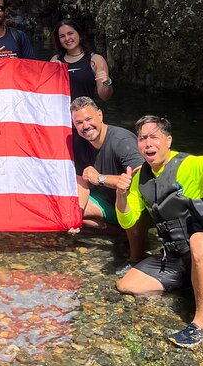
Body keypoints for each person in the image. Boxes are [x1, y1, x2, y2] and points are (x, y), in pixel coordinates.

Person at [114, 115, 203, 348]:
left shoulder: (192, 165)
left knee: (199, 241)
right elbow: (128, 221)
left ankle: (200, 326)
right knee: (127, 285)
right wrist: (121, 196)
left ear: (168, 140)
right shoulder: (139, 179)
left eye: (154, 137)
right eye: (142, 138)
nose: (148, 144)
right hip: (177, 258)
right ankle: (196, 282)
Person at [70, 97, 147, 274]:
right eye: (79, 122)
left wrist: (101, 178)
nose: (85, 126)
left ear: (100, 115)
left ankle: (136, 257)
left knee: (129, 197)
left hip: (131, 202)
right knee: (68, 208)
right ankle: (117, 231)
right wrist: (77, 215)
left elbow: (141, 176)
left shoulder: (121, 140)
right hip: (106, 201)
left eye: (89, 119)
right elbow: (81, 180)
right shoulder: (79, 142)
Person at [51, 19, 113, 101]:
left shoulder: (96, 60)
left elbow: (104, 97)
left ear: (79, 35)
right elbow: (48, 93)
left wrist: (107, 82)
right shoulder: (55, 60)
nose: (67, 38)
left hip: (85, 111)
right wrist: (52, 72)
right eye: (62, 36)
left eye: (70, 33)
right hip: (62, 112)